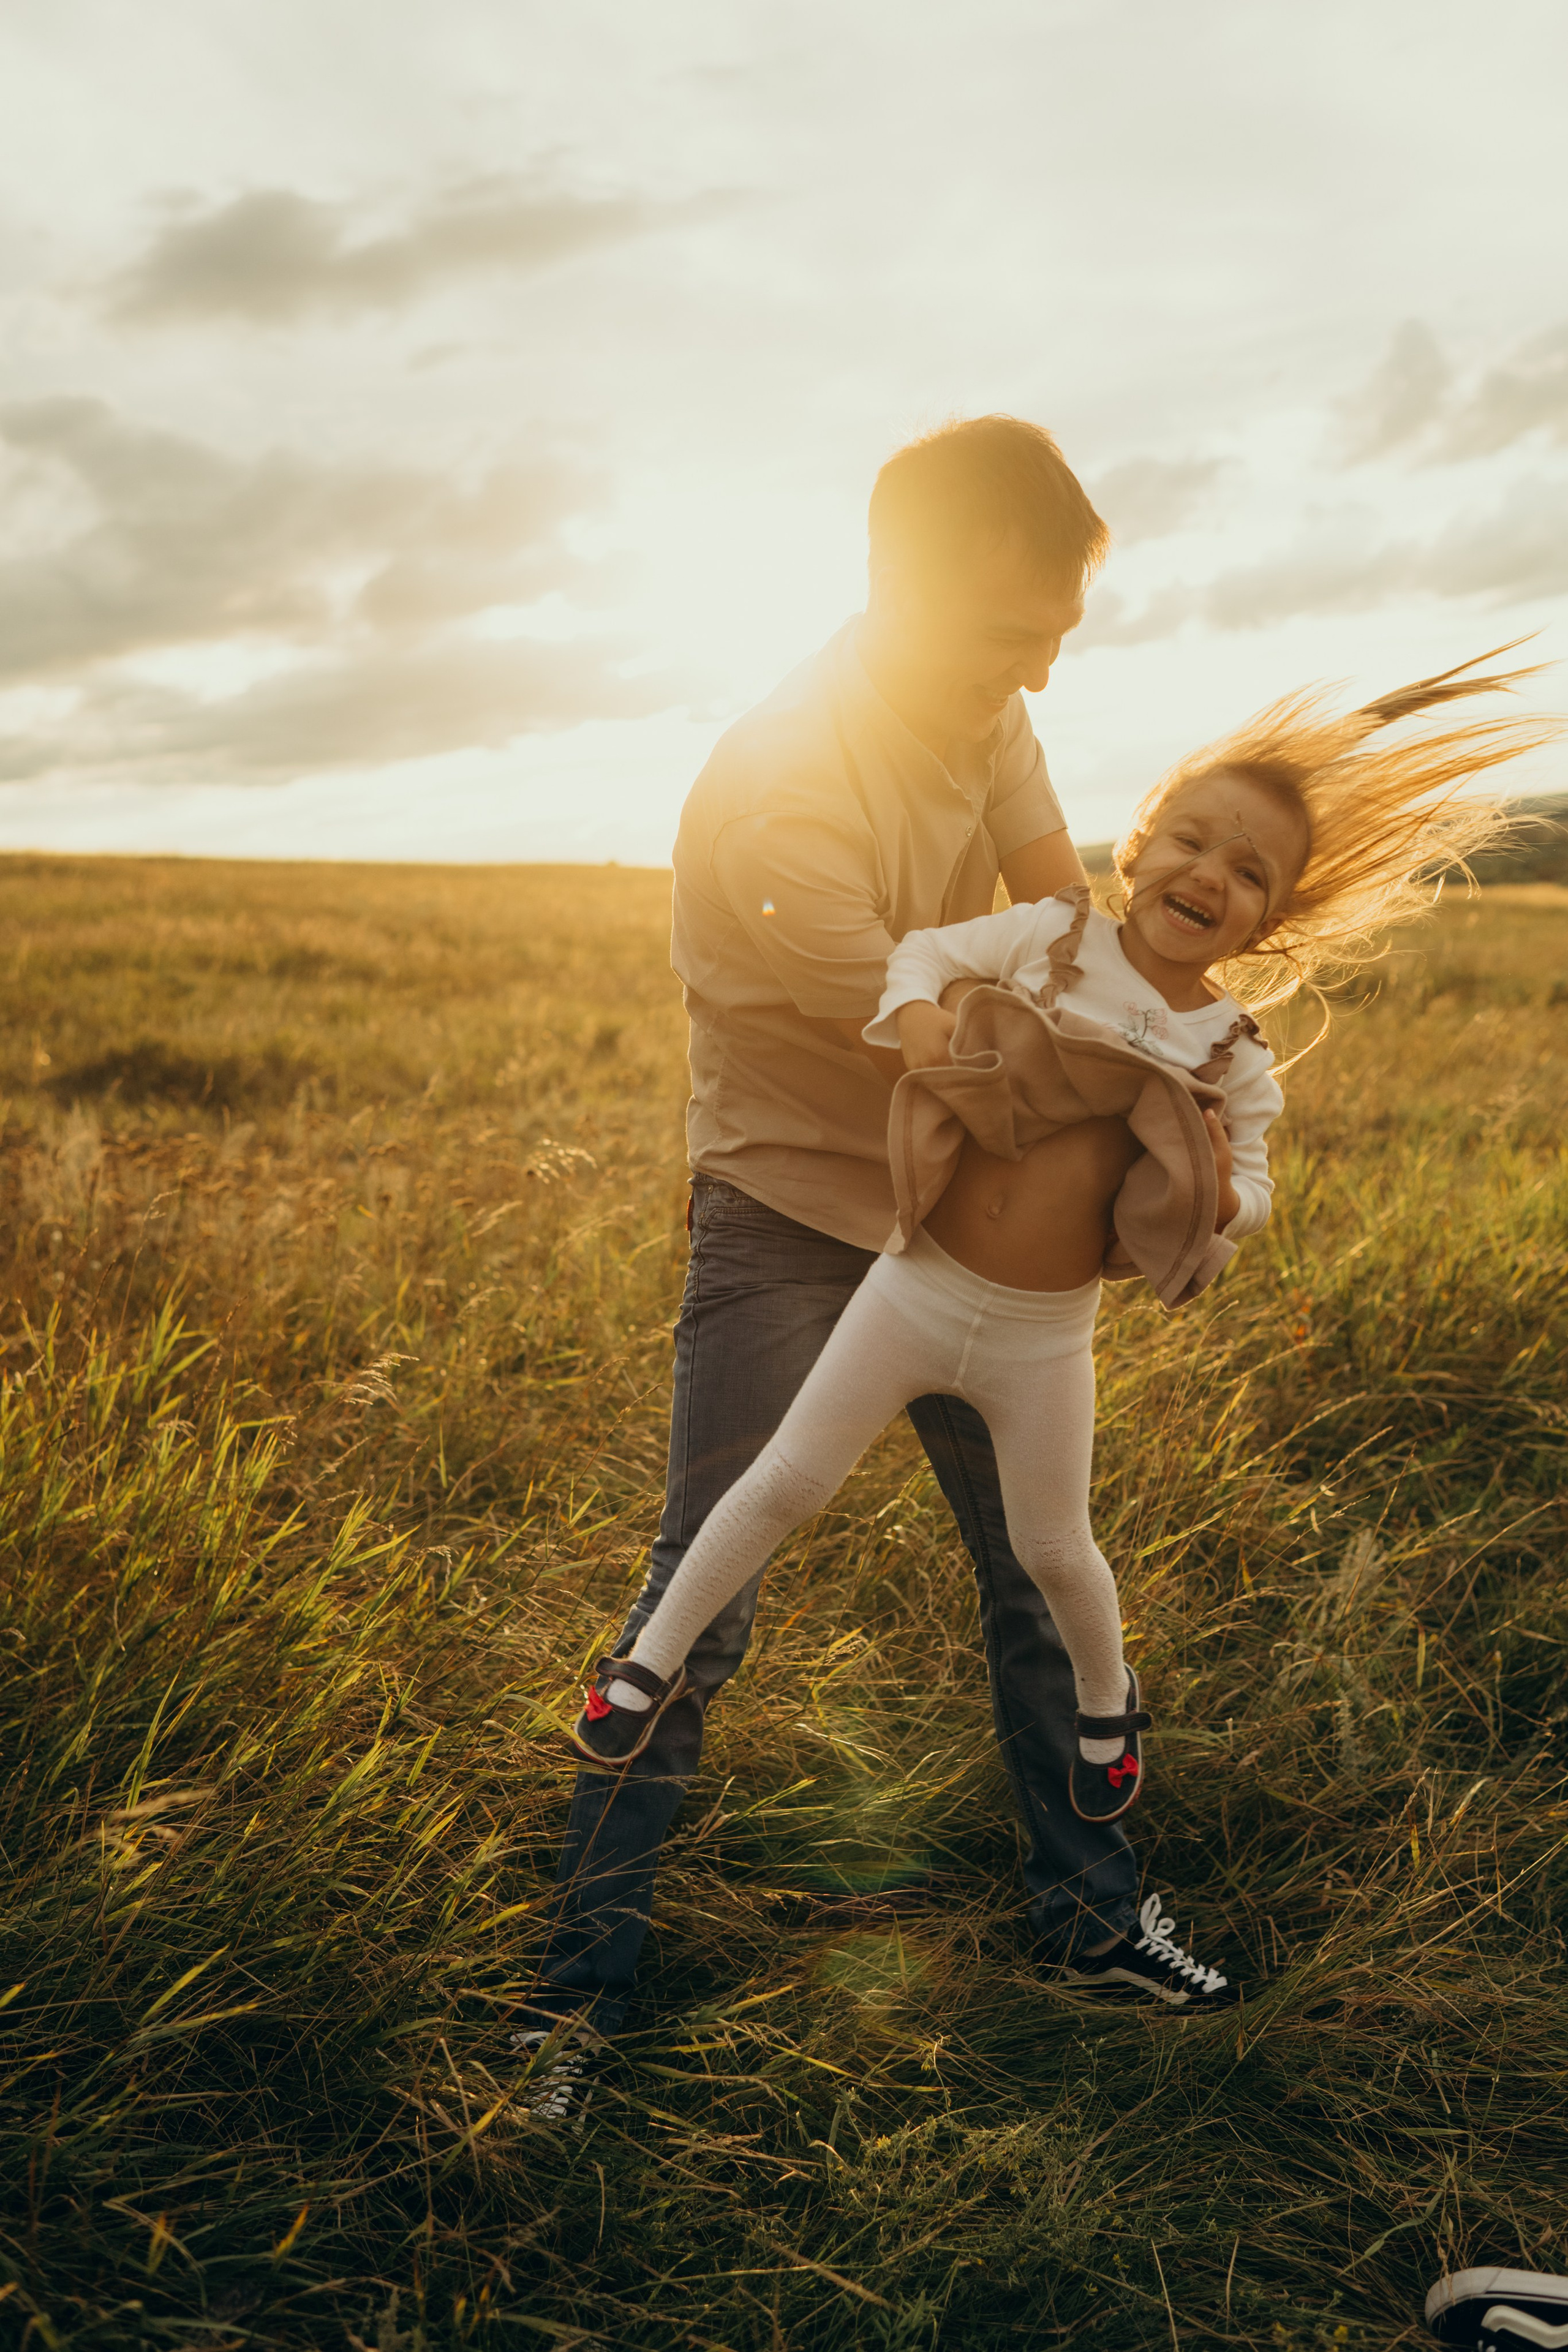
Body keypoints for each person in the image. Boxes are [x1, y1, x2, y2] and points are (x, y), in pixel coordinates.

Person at [556, 646, 1543, 1999]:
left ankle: (1093, 1889)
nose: (1207, 874)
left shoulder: (1219, 1033)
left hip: (1032, 1324)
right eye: (1188, 841)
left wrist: (1212, 1196)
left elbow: (1243, 1177)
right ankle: (579, 1980)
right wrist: (935, 1025)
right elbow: (895, 958)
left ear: (1271, 916)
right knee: (746, 1524)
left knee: (1046, 1562)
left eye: (1247, 871)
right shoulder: (830, 784)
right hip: (836, 1227)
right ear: (1139, 840)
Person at [511, 415, 1236, 2122]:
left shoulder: (988, 714)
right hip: (790, 1218)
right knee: (704, 1597)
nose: (1039, 676)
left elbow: (1075, 944)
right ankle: (568, 2007)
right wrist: (1147, 1101)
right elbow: (982, 1056)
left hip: (968, 1220)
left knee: (1041, 1576)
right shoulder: (784, 791)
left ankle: (1092, 1922)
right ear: (893, 589)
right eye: (1010, 634)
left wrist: (1187, 1072)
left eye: (1060, 635)